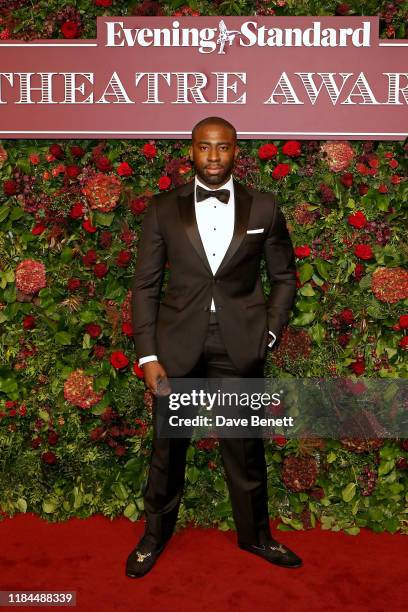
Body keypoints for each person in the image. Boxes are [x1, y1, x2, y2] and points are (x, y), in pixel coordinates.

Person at [127, 116, 301, 578]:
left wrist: (268, 331)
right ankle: (153, 536)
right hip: (176, 346)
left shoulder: (263, 208)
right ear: (191, 151)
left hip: (238, 344)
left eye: (222, 148)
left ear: (236, 152)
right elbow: (145, 286)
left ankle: (256, 536)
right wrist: (148, 356)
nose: (213, 157)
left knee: (244, 447)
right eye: (204, 147)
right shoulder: (164, 208)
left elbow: (284, 278)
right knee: (168, 448)